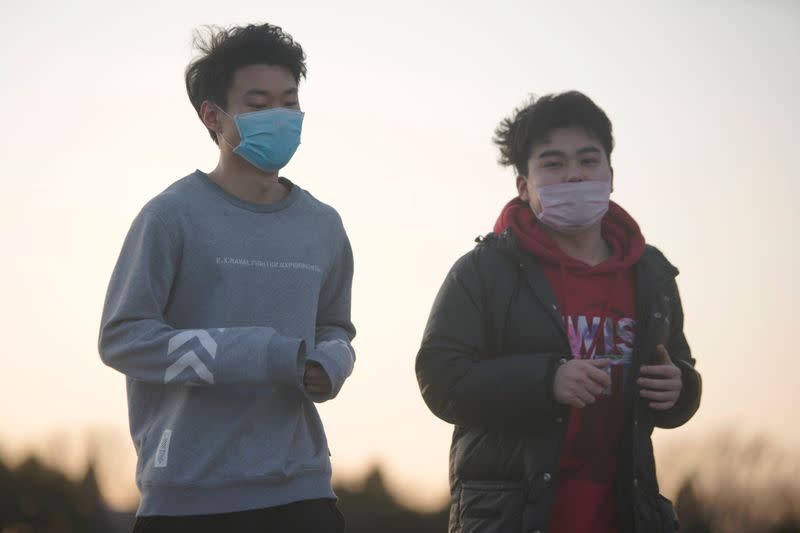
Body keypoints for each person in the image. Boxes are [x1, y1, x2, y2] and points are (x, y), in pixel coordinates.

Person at [99, 23, 354, 533]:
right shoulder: (171, 216)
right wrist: (260, 354)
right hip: (188, 499)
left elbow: (337, 328)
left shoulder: (323, 224)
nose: (280, 118)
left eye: (290, 101)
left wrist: (331, 362)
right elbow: (123, 339)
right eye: (259, 106)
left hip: (303, 493)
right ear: (212, 115)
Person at [415, 91, 701, 533]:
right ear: (523, 186)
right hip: (511, 516)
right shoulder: (483, 272)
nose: (573, 176)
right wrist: (546, 380)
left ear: (610, 174)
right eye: (553, 164)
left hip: (627, 511)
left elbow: (680, 374)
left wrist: (679, 388)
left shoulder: (652, 276)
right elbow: (441, 378)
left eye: (588, 161)